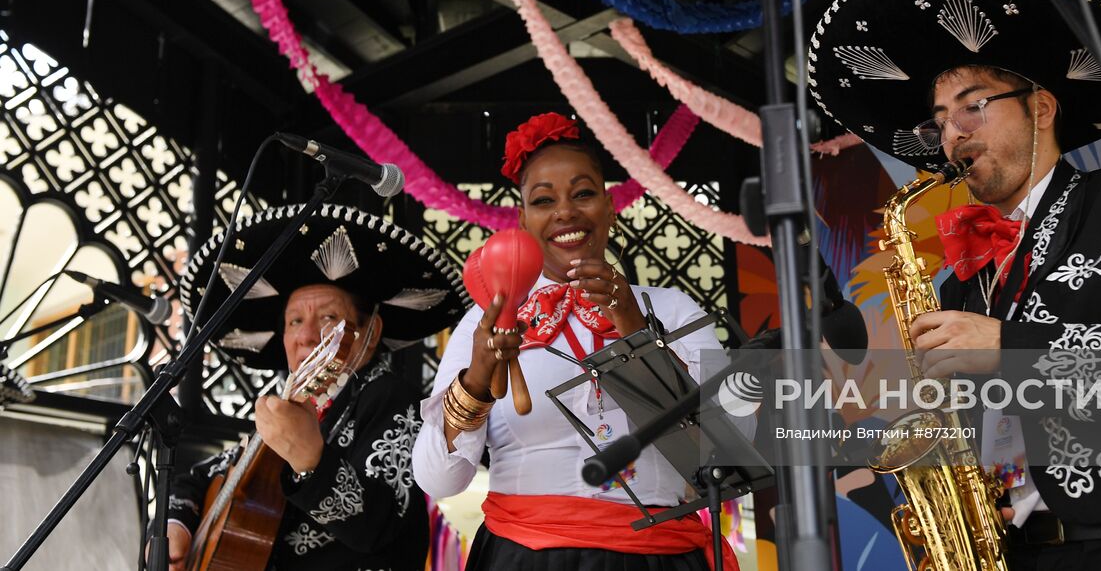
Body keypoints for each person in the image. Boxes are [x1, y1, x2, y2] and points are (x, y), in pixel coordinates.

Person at [807, 0, 1101, 570]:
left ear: (1041, 107)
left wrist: (1011, 350)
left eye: (973, 106)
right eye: (940, 122)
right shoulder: (961, 282)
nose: (953, 133)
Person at [413, 112, 752, 571]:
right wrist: (475, 380)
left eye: (584, 193)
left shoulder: (672, 309)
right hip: (524, 557)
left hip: (656, 557)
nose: (565, 212)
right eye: (543, 200)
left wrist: (634, 327)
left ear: (610, 207)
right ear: (523, 219)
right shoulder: (487, 322)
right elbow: (440, 479)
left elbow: (728, 453)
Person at [162, 204, 468, 571]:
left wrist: (312, 463)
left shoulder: (390, 397)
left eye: (328, 318)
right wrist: (175, 526)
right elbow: (198, 477)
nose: (306, 336)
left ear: (371, 336)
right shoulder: (285, 410)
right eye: (294, 321)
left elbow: (376, 526)